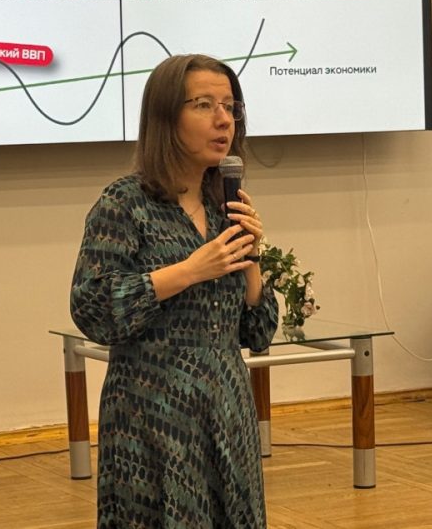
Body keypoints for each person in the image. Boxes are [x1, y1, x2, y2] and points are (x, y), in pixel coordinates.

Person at [71, 54, 278, 528]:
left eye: (230, 106)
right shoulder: (125, 203)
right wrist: (188, 271)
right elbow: (93, 307)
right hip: (152, 413)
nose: (223, 119)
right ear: (166, 118)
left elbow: (257, 331)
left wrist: (251, 259)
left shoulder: (226, 204)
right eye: (204, 105)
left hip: (226, 408)